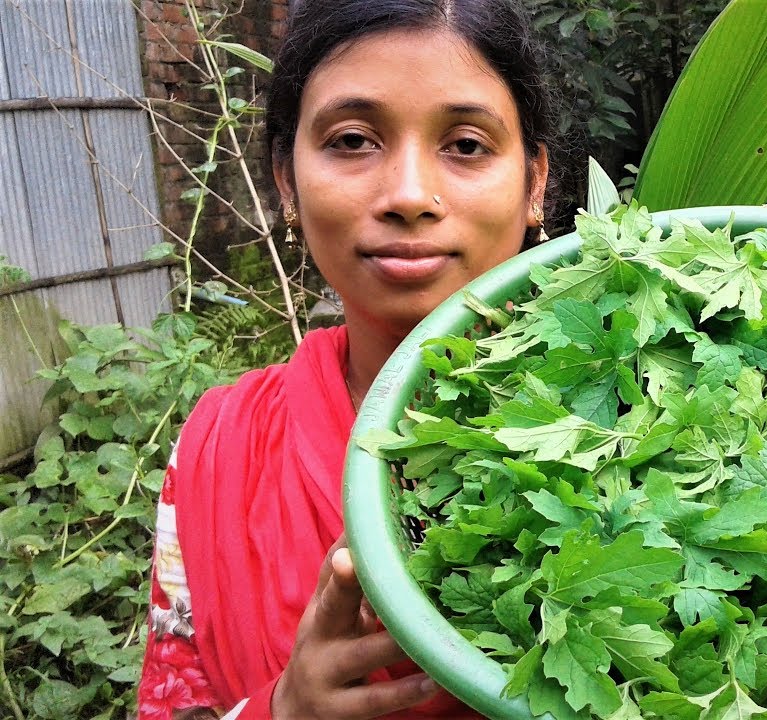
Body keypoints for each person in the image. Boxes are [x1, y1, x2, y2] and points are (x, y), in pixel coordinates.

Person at [136, 1, 560, 717]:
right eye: (354, 139)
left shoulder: (663, 417)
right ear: (285, 180)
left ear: (535, 183)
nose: (407, 196)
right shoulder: (222, 444)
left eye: (464, 145)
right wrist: (286, 708)